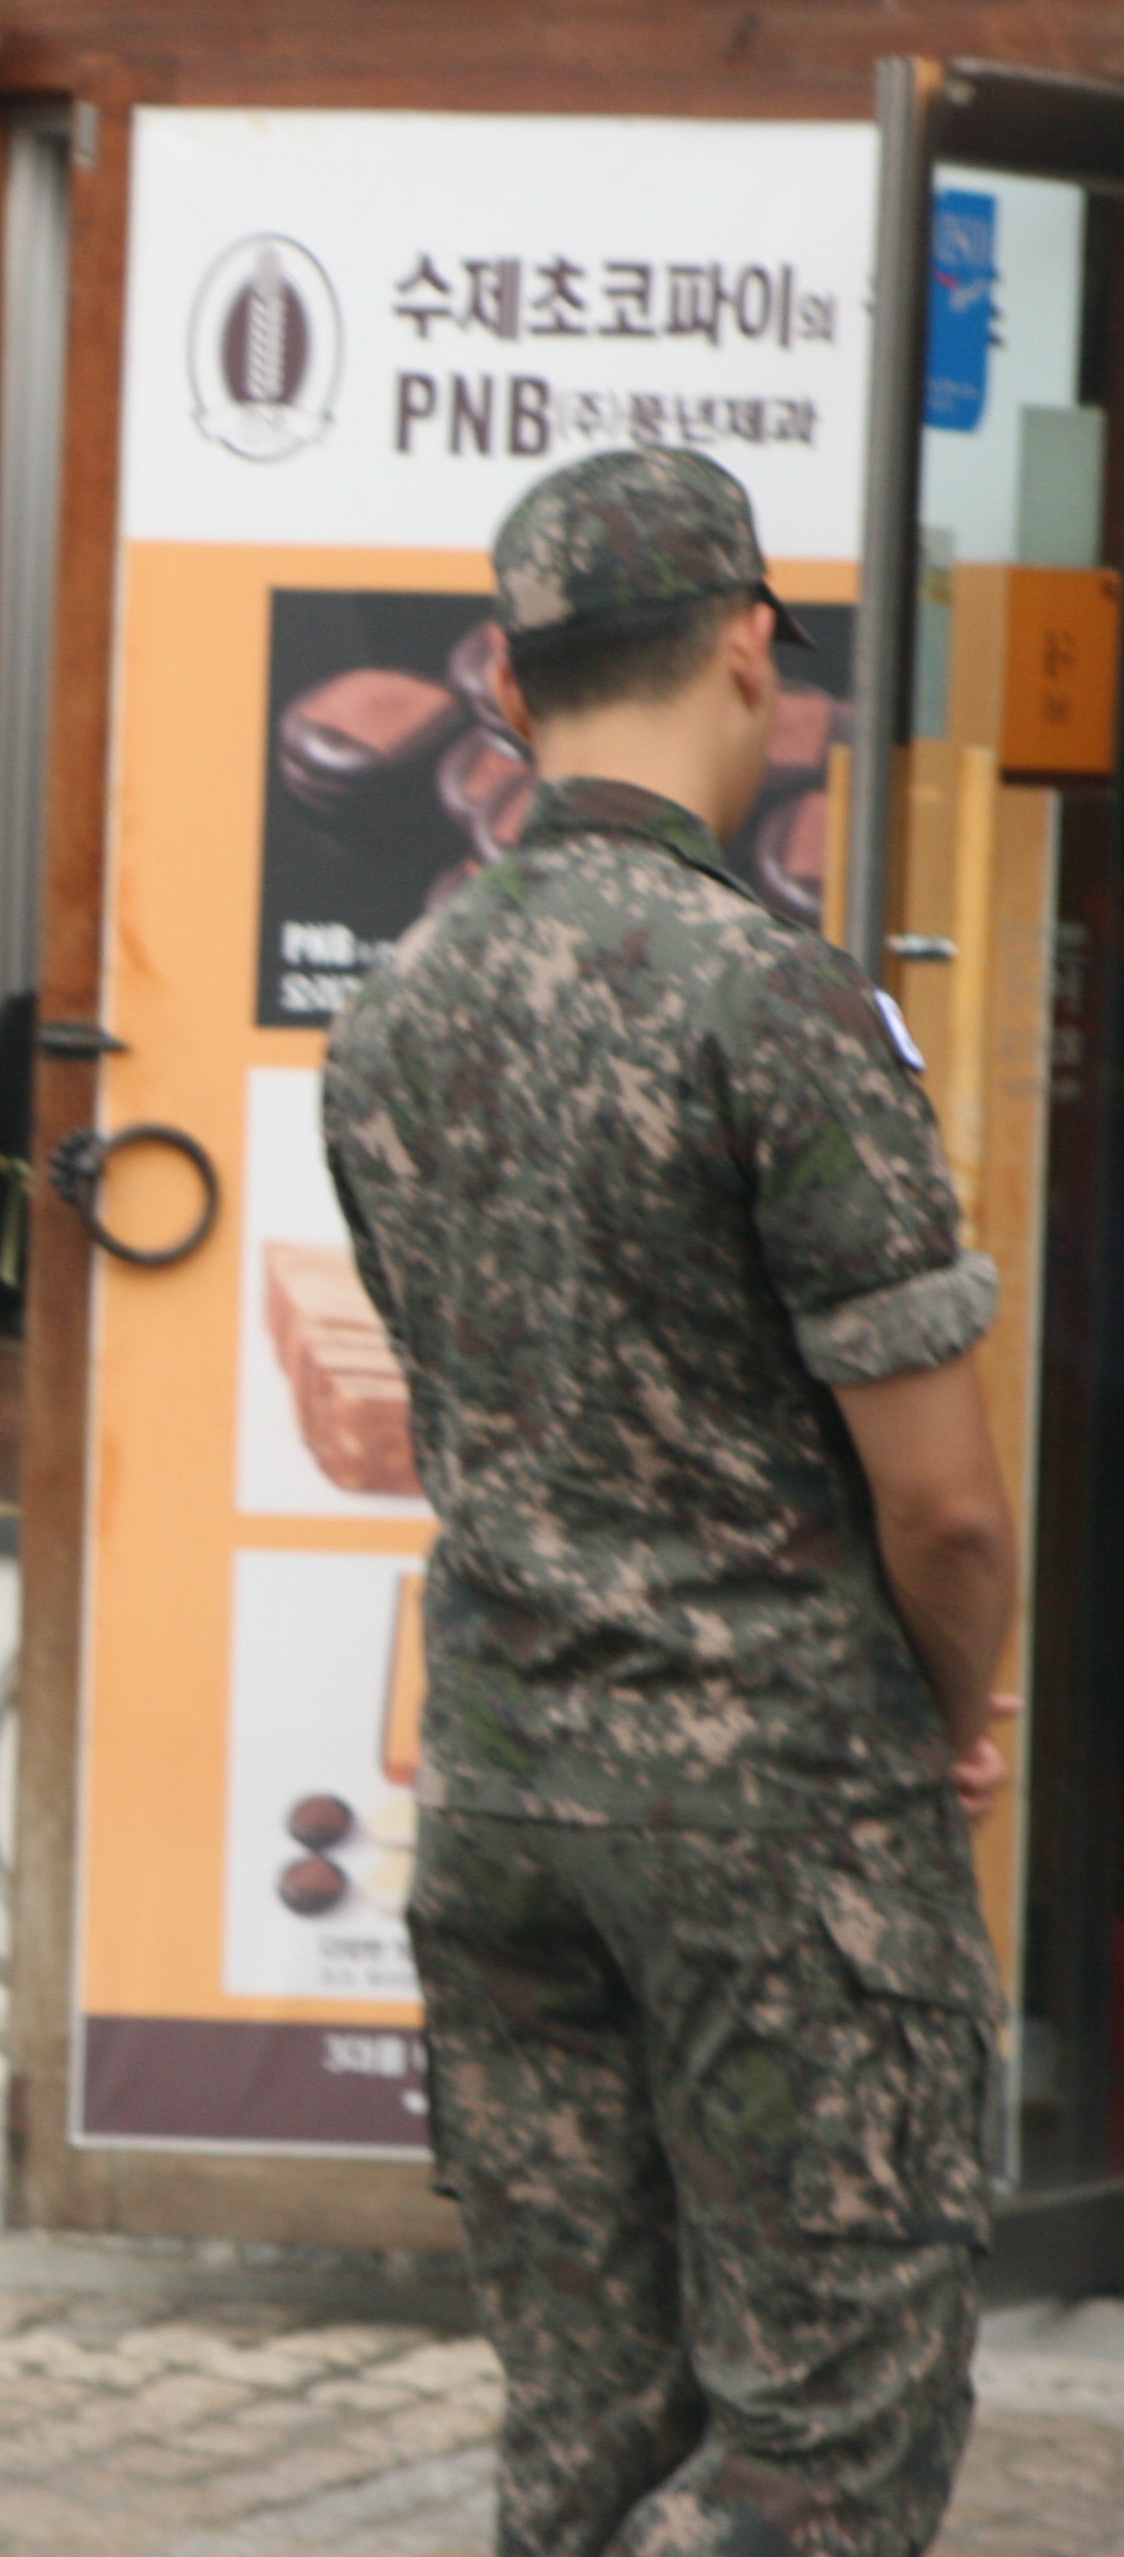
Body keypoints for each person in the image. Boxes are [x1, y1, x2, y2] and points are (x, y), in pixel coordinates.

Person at [323, 447, 1019, 2557]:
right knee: (825, 2447)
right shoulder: (778, 999)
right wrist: (956, 1705)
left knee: (588, 2439)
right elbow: (954, 1511)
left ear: (515, 693)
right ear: (748, 648)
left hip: (518, 1814)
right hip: (782, 1830)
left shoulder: (399, 1011)